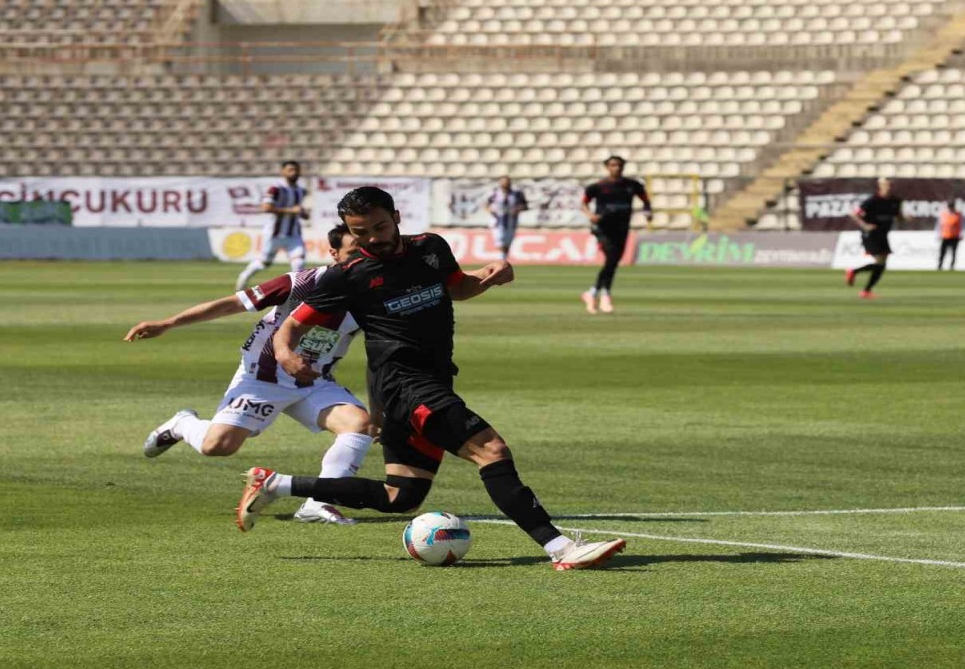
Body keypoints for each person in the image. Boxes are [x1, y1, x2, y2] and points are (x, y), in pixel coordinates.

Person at [235, 186, 627, 571]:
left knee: (399, 497)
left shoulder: (431, 248)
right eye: (360, 232)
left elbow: (457, 288)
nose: (373, 238)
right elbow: (291, 328)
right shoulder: (347, 277)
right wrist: (285, 354)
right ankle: (560, 548)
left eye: (380, 227)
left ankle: (276, 484)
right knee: (490, 450)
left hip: (428, 382)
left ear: (397, 218)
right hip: (405, 385)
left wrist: (488, 277)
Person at [126, 223, 376, 525]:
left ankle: (318, 503)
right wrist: (168, 323)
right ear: (333, 253)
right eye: (352, 253)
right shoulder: (300, 283)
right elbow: (231, 304)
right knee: (218, 447)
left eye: (366, 252)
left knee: (360, 424)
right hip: (264, 378)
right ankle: (183, 423)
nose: (360, 259)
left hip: (314, 382)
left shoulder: (372, 296)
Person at [579, 155, 651, 314]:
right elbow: (583, 203)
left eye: (619, 165)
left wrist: (648, 211)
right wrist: (590, 215)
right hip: (603, 228)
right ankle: (603, 295)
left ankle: (594, 293)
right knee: (611, 259)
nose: (616, 168)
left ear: (623, 167)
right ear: (607, 167)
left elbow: (645, 200)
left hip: (622, 228)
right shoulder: (598, 186)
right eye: (612, 165)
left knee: (613, 262)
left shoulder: (632, 185)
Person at [236, 160, 311, 290]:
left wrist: (302, 213)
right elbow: (266, 207)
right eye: (290, 170)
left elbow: (297, 210)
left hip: (294, 234)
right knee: (264, 263)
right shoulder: (276, 188)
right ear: (283, 172)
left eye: (296, 170)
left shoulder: (300, 190)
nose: (294, 173)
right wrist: (291, 210)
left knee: (299, 262)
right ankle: (244, 276)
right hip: (274, 233)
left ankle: (297, 292)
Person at [845, 177, 908, 299]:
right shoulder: (872, 201)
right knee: (880, 261)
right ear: (880, 186)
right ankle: (856, 276)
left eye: (890, 185)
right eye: (886, 185)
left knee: (882, 264)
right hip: (871, 233)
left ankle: (864, 288)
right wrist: (865, 225)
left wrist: (906, 218)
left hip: (883, 234)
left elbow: (899, 216)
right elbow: (854, 214)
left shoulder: (896, 201)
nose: (889, 187)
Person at [483, 176, 528, 261]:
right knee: (500, 241)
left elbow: (525, 206)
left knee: (507, 244)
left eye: (507, 182)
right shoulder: (494, 193)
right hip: (497, 222)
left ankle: (503, 261)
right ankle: (501, 261)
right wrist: (490, 210)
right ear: (500, 183)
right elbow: (485, 205)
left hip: (511, 223)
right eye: (503, 182)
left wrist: (518, 209)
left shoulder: (517, 194)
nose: (505, 184)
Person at [935, 200, 965, 271]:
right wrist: (938, 234)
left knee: (953, 253)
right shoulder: (944, 214)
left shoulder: (958, 215)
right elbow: (939, 225)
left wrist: (962, 234)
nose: (950, 208)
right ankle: (940, 265)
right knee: (942, 252)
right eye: (949, 207)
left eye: (952, 206)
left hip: (955, 237)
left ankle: (952, 266)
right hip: (945, 236)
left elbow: (963, 225)